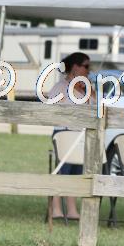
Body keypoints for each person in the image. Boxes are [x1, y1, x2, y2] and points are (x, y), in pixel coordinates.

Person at [48, 51, 90, 221]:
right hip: (64, 133)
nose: (89, 70)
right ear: (75, 67)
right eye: (86, 66)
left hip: (81, 135)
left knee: (76, 172)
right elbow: (53, 111)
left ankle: (72, 208)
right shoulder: (60, 87)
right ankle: (56, 207)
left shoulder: (87, 89)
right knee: (63, 170)